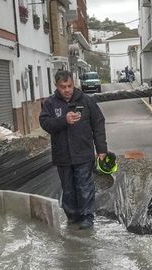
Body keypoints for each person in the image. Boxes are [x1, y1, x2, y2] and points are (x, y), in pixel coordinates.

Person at [39, 69, 108, 230]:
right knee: (68, 188)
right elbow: (45, 123)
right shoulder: (50, 104)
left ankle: (87, 217)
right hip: (62, 155)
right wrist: (64, 120)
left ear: (73, 84)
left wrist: (101, 149)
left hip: (83, 153)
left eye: (69, 85)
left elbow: (98, 123)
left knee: (84, 186)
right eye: (63, 87)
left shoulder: (86, 101)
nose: (67, 90)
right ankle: (72, 217)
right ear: (56, 85)